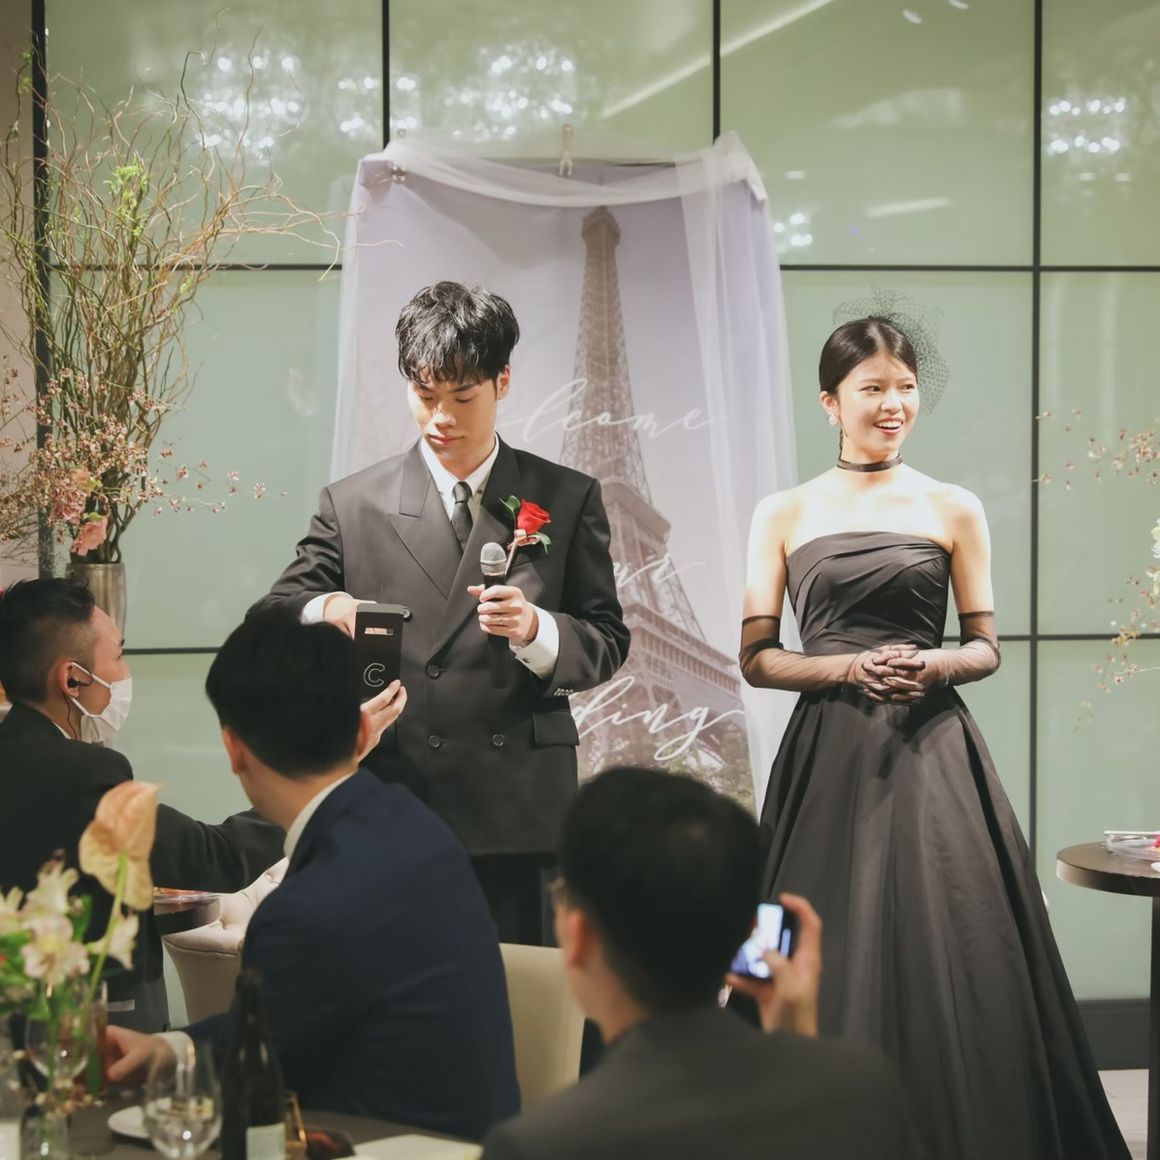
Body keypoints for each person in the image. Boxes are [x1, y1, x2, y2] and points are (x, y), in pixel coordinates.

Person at [738, 316, 1129, 1160]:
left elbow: (985, 645)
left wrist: (931, 664)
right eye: (873, 388)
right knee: (810, 933)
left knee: (957, 937)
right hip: (826, 754)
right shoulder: (783, 511)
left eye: (906, 387)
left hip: (933, 750)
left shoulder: (954, 505)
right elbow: (758, 658)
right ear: (830, 402)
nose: (893, 404)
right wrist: (848, 669)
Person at [253, 281, 630, 944]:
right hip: (395, 795)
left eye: (462, 397)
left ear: (502, 382)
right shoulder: (355, 504)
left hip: (520, 810)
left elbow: (607, 637)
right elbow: (273, 614)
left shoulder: (565, 497)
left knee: (519, 997)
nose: (441, 419)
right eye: (425, 395)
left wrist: (536, 630)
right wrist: (330, 606)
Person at [107, 610, 520, 1141]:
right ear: (362, 731)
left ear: (234, 750)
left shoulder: (304, 911)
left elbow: (259, 1080)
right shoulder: (420, 828)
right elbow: (287, 1019)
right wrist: (166, 1049)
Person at [480, 766, 916, 1160]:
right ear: (748, 930)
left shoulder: (541, 1144)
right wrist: (799, 1042)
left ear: (580, 936)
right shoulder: (866, 1089)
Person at [0, 578, 286, 1032]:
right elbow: (216, 859)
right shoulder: (84, 773)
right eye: (118, 655)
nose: (124, 672)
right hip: (94, 1020)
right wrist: (307, 783)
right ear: (72, 678)